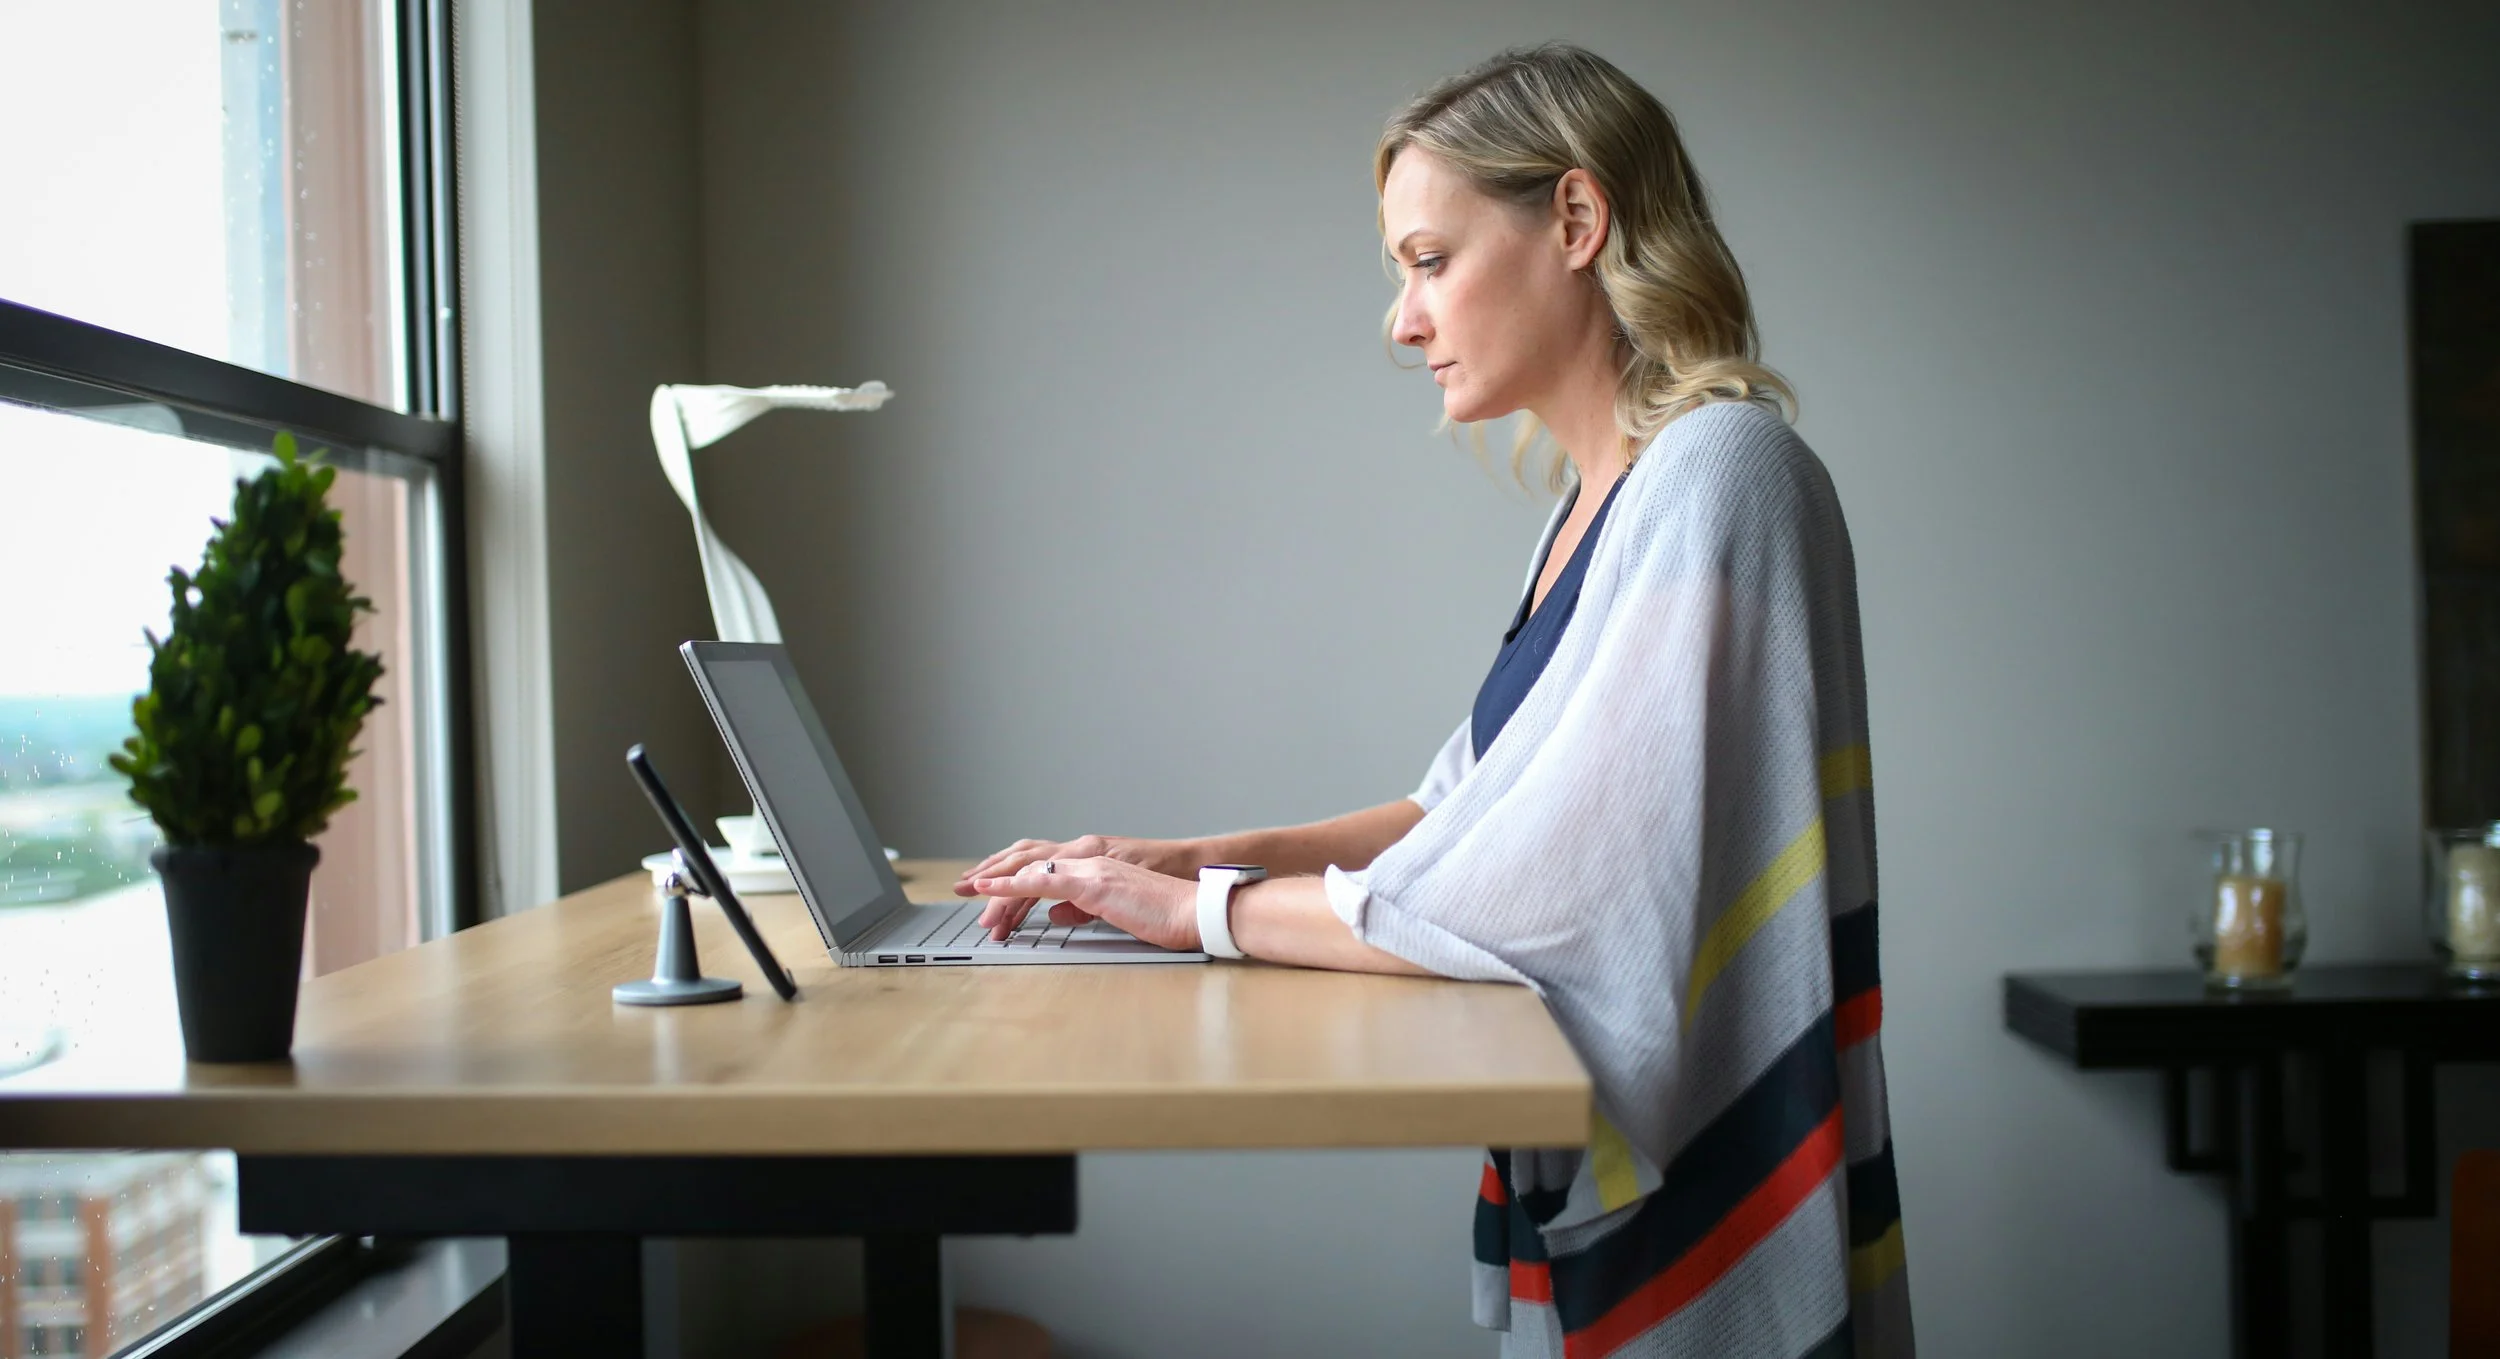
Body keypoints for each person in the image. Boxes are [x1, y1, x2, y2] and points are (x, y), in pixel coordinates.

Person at [956, 42, 1910, 1359]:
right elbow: (1454, 818)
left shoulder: (1724, 473)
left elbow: (1563, 892)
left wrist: (1199, 915)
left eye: (1428, 260)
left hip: (1698, 1205)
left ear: (1577, 220)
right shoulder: (1592, 514)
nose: (1403, 321)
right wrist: (1173, 859)